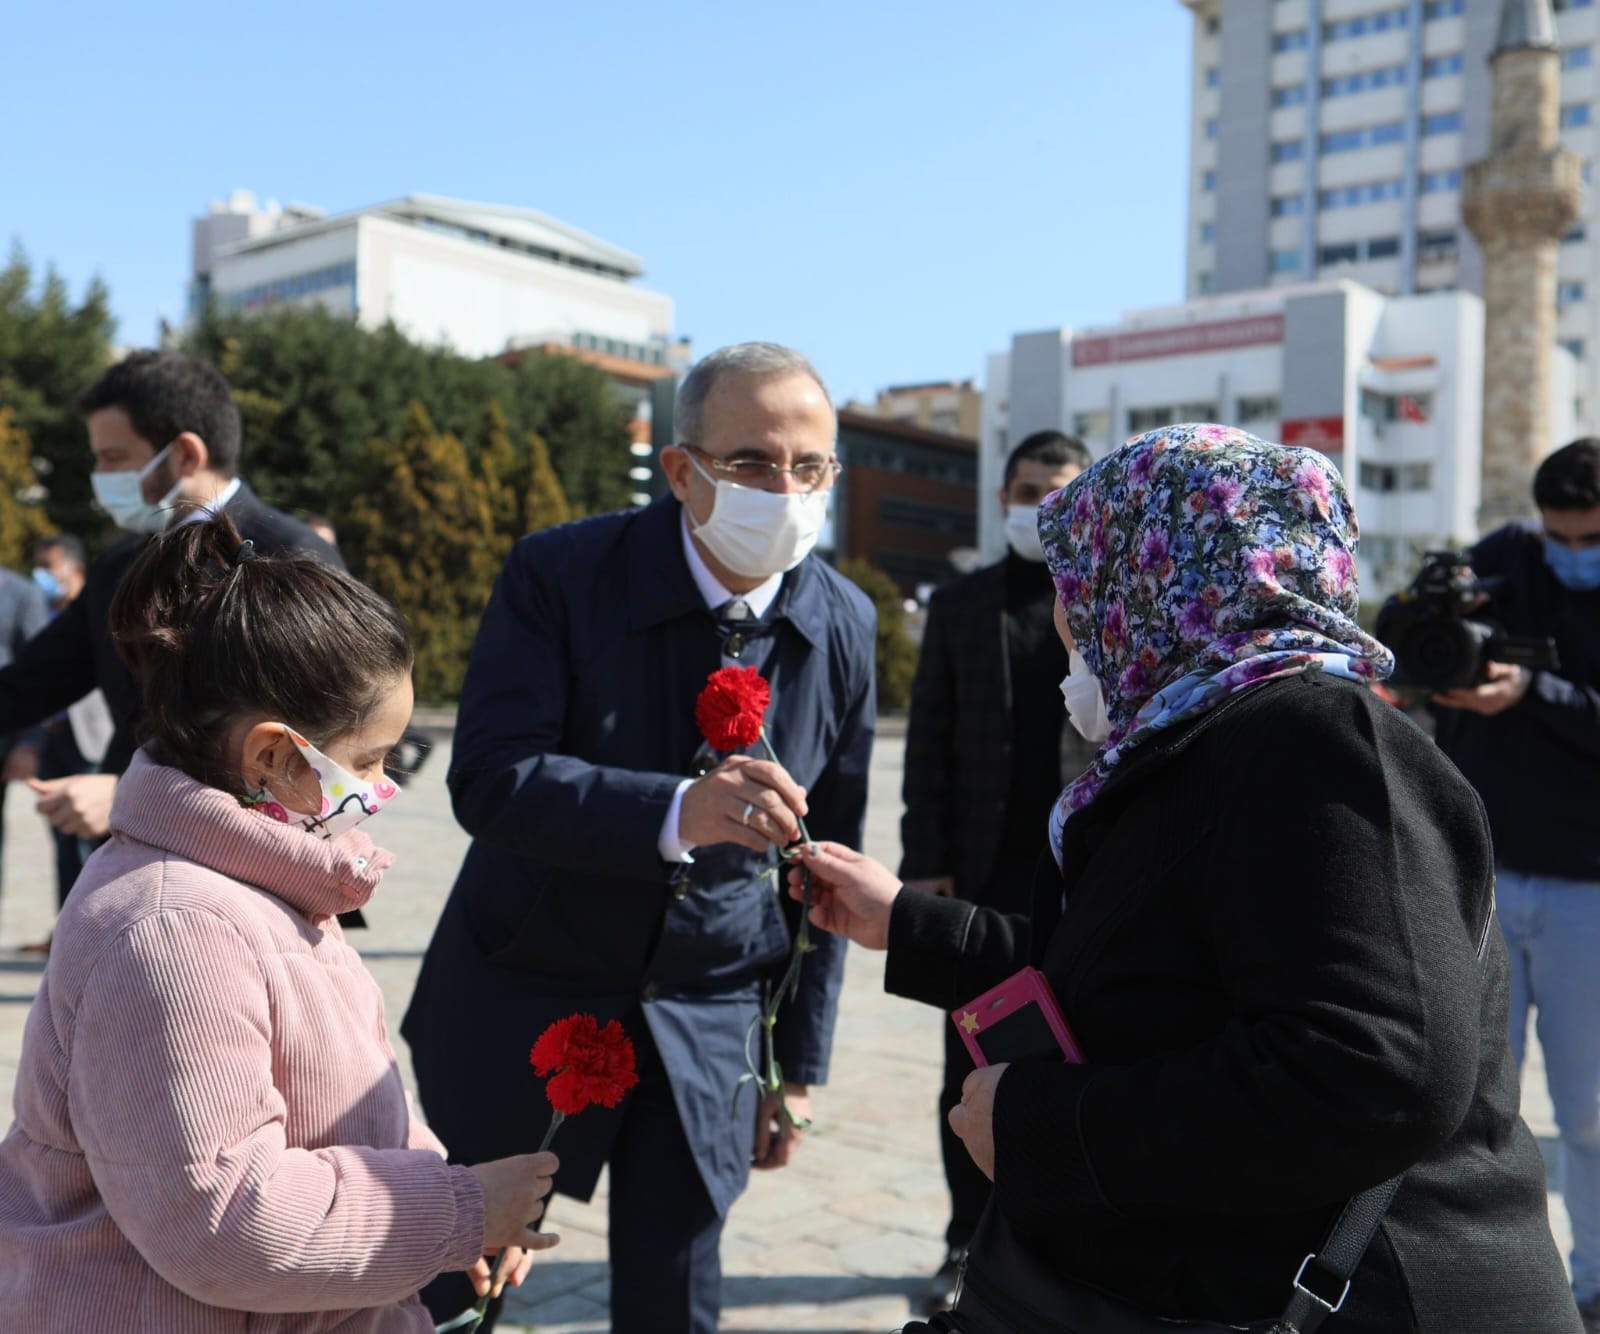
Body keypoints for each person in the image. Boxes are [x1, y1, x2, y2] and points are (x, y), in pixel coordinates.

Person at [787, 425, 1578, 1332]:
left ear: (1153, 581)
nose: (1062, 618)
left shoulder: (1319, 745)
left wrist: (1050, 1126)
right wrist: (909, 924)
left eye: (1075, 583)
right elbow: (1147, 975)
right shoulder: (1208, 739)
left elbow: (1373, 1070)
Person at [404, 342, 877, 1333]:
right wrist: (674, 810)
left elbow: (826, 866)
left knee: (676, 1289)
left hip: (707, 1012)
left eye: (811, 466)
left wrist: (794, 1067)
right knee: (457, 1282)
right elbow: (491, 776)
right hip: (529, 985)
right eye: (751, 461)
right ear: (680, 469)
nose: (783, 489)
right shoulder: (562, 574)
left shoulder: (842, 623)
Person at [0, 515, 560, 1330]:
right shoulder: (173, 931)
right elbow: (225, 1224)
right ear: (271, 757)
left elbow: (344, 1097)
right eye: (368, 760)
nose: (379, 789)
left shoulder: (268, 881)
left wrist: (450, 1199)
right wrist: (459, 1209)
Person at [899, 428, 1093, 1313]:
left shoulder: (1107, 598)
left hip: (1081, 876)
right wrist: (925, 861)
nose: (1039, 508)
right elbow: (928, 736)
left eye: (1059, 492)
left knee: (1076, 1055)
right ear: (1002, 495)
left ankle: (1058, 1239)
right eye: (1026, 491)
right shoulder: (965, 603)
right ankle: (963, 1239)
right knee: (967, 1062)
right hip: (977, 873)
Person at [0, 351, 341, 850]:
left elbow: (319, 735)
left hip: (250, 869)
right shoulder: (121, 565)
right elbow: (30, 684)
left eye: (113, 458)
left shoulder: (291, 556)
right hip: (127, 859)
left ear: (185, 454)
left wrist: (129, 793)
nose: (98, 477)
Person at [1432, 438, 1600, 1328]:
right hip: (1486, 879)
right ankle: (1477, 1284)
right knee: (1467, 1102)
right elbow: (1424, 635)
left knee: (1590, 1112)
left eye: (1590, 536)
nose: (1574, 550)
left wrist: (1532, 689)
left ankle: (1594, 1284)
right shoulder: (1501, 559)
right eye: (1559, 534)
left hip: (1588, 890)